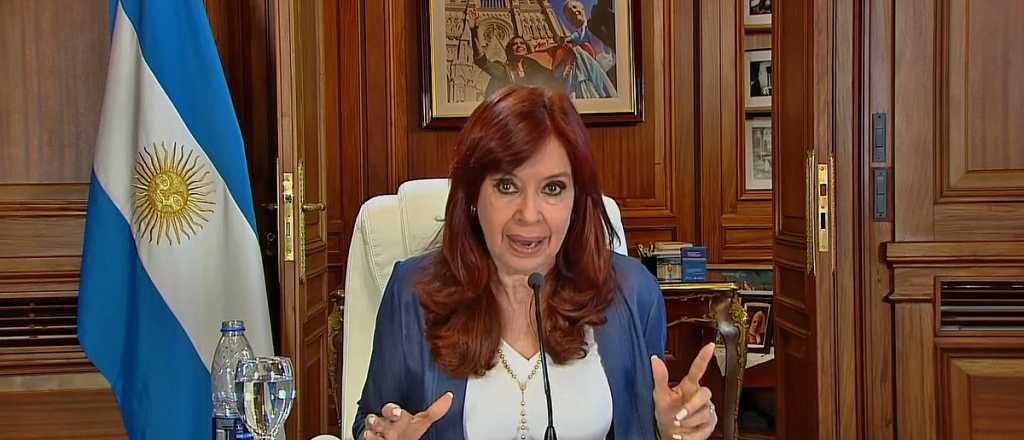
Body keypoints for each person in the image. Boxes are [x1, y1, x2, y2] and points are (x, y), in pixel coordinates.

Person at [353, 85, 717, 440]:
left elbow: (642, 424)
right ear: (473, 196)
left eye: (552, 188)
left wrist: (668, 430)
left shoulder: (633, 293)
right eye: (506, 186)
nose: (529, 214)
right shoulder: (412, 292)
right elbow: (371, 422)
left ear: (577, 199)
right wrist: (386, 434)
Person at [467, 7, 560, 98]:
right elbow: (482, 61)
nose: (519, 45)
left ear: (526, 48)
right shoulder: (504, 70)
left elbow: (554, 76)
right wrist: (474, 32)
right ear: (509, 50)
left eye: (522, 43)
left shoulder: (534, 66)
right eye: (515, 44)